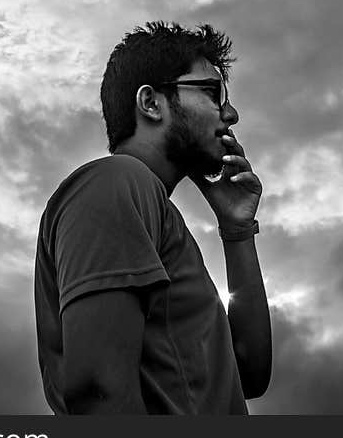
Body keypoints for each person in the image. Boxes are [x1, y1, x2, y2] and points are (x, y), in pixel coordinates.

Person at [34, 22, 271, 414]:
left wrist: (237, 230)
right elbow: (98, 393)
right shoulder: (115, 183)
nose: (231, 113)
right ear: (151, 103)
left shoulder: (153, 208)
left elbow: (249, 374)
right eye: (212, 92)